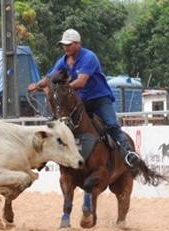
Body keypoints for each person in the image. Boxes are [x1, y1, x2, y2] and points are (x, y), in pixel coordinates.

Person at [28, 28, 140, 169]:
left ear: (78, 44)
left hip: (99, 99)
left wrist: (63, 90)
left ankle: (129, 153)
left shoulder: (89, 57)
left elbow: (81, 82)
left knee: (111, 124)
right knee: (58, 124)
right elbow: (50, 77)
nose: (66, 47)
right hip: (80, 101)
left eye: (69, 44)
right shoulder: (62, 61)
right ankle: (43, 158)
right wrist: (35, 85)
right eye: (64, 45)